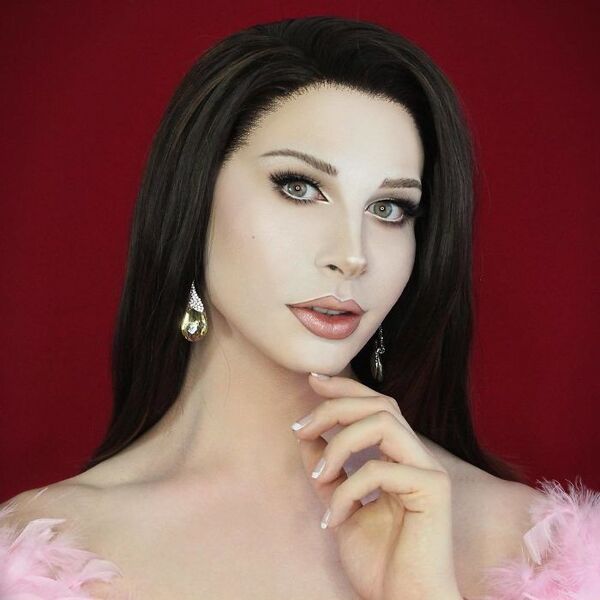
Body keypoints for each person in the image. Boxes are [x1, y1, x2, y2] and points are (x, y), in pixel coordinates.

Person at [1, 15, 598, 600]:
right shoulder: (43, 562)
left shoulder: (538, 552)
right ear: (194, 201)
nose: (352, 256)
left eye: (389, 208)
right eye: (299, 187)